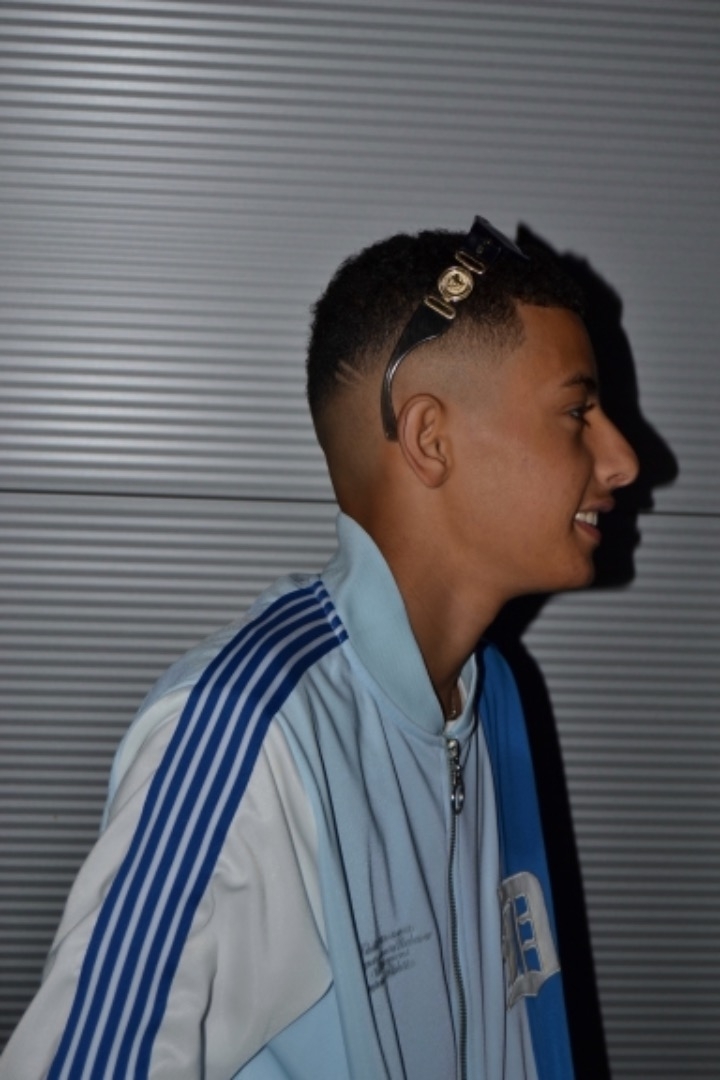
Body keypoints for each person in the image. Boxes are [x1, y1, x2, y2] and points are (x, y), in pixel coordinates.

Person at [0, 216, 639, 1080]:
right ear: (430, 439)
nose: (623, 459)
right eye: (578, 411)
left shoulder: (495, 699)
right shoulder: (248, 731)